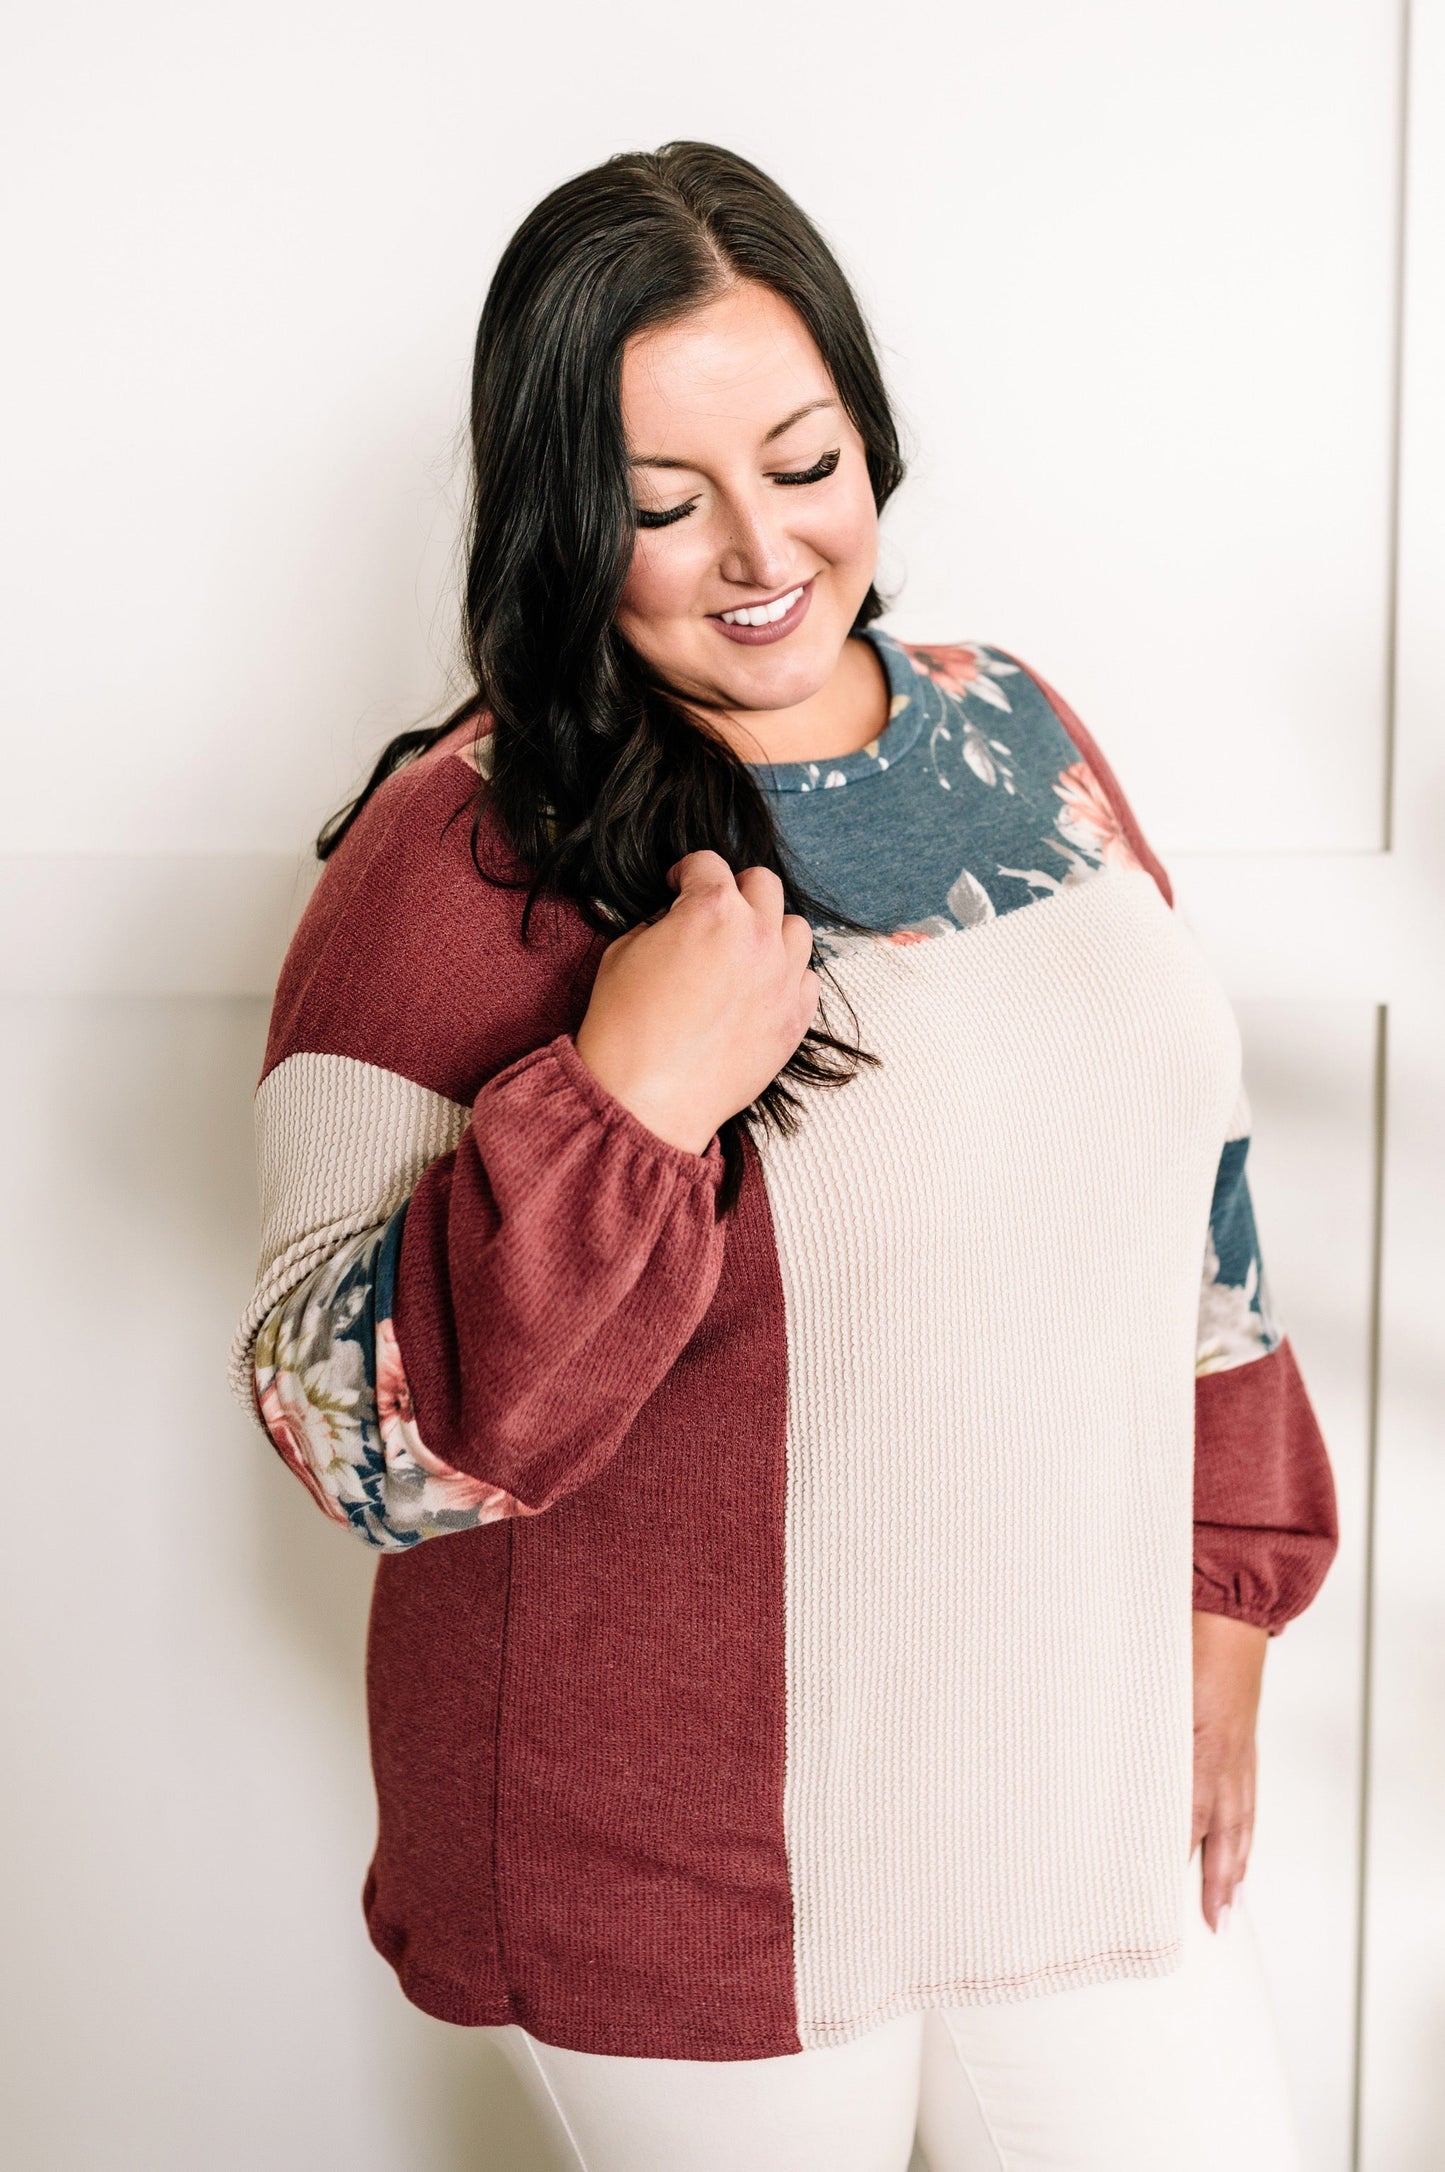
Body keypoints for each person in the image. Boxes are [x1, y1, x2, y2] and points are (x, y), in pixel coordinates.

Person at [229, 141, 1340, 2171]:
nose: (758, 548)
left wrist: (1227, 1608)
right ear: (569, 521)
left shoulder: (1025, 737)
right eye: (662, 504)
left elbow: (1196, 1211)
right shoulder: (460, 857)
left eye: (806, 459)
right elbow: (348, 1443)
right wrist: (630, 1102)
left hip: (1081, 1810)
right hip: (688, 1881)